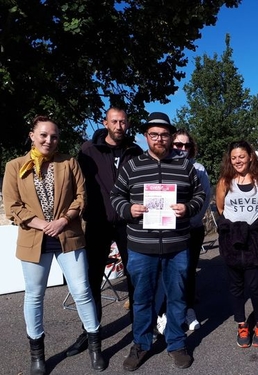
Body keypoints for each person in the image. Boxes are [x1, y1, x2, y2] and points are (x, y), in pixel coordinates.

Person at [2, 115, 106, 374]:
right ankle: (37, 354)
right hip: (33, 240)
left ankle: (95, 347)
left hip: (68, 236)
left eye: (54, 136)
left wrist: (62, 221)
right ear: (32, 135)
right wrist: (41, 224)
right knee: (35, 296)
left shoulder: (69, 162)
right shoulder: (15, 166)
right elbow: (13, 206)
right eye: (44, 135)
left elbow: (81, 197)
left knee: (82, 291)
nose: (49, 140)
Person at [110, 112, 205, 371]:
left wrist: (188, 208)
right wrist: (129, 210)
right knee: (142, 299)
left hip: (177, 245)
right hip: (141, 246)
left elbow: (199, 195)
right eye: (154, 135)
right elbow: (116, 195)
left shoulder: (185, 165)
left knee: (176, 297)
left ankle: (176, 343)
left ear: (171, 137)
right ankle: (141, 344)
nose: (159, 139)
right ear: (146, 137)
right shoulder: (132, 165)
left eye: (164, 135)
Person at [66, 107, 143, 357]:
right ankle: (90, 330)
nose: (119, 126)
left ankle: (140, 328)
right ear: (105, 122)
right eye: (114, 121)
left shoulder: (135, 152)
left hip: (128, 222)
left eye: (123, 121)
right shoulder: (88, 151)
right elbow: (75, 184)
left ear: (128, 124)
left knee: (135, 275)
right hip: (98, 223)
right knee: (92, 278)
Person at [216, 141, 258, 348]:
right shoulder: (225, 181)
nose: (238, 161)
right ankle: (242, 324)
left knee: (255, 286)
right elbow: (221, 208)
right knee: (235, 287)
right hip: (232, 242)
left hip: (255, 243)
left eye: (241, 156)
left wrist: (251, 230)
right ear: (229, 160)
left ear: (250, 156)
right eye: (234, 158)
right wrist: (236, 229)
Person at [172, 129, 211, 330]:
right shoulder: (164, 166)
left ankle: (187, 309)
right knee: (170, 272)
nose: (182, 149)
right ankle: (167, 312)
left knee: (188, 270)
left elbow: (205, 197)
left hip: (192, 228)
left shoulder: (199, 168)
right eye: (178, 145)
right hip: (168, 231)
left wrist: (191, 219)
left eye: (186, 145)